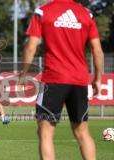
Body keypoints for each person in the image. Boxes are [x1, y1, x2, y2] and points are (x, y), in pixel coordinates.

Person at [18, 0, 104, 159]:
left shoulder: (43, 12)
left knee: (45, 131)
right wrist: (98, 79)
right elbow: (97, 51)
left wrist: (23, 74)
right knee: (82, 132)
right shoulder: (86, 14)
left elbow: (31, 46)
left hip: (54, 78)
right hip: (79, 80)